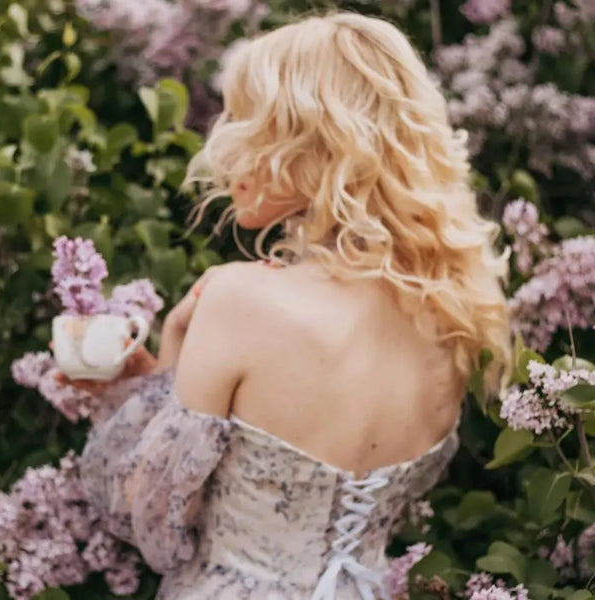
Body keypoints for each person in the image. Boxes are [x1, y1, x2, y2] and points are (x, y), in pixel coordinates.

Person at [63, 11, 510, 599]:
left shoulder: (239, 298)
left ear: (315, 142)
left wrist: (169, 347)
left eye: (246, 120)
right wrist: (161, 380)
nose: (221, 147)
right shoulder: (454, 320)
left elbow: (152, 522)